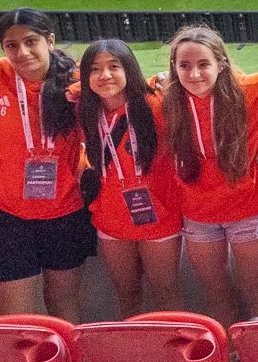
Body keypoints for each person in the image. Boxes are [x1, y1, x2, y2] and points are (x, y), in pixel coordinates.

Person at [0, 8, 92, 320]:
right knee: (13, 319)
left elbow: (126, 84)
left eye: (31, 41)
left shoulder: (77, 81)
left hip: (66, 212)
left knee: (64, 309)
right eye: (11, 45)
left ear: (50, 41)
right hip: (9, 217)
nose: (22, 52)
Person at [163, 24, 258, 327]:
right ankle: (228, 360)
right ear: (174, 69)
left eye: (204, 64)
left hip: (247, 210)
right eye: (185, 66)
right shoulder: (165, 100)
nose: (194, 74)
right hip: (198, 215)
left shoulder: (251, 89)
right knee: (216, 294)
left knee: (255, 291)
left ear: (221, 63)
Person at [75, 38, 183, 316]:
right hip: (112, 220)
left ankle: (174, 358)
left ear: (130, 70)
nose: (105, 75)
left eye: (114, 66)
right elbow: (68, 87)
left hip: (159, 216)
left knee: (166, 295)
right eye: (95, 69)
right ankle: (136, 357)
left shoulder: (157, 104)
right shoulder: (84, 111)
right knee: (127, 295)